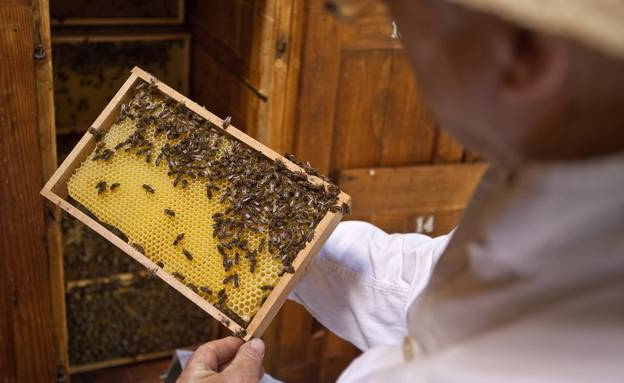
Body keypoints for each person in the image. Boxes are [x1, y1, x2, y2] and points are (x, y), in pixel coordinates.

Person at [178, 0, 624, 381]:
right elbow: (430, 291)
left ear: (523, 53)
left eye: (405, 18)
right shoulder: (576, 173)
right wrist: (284, 242)